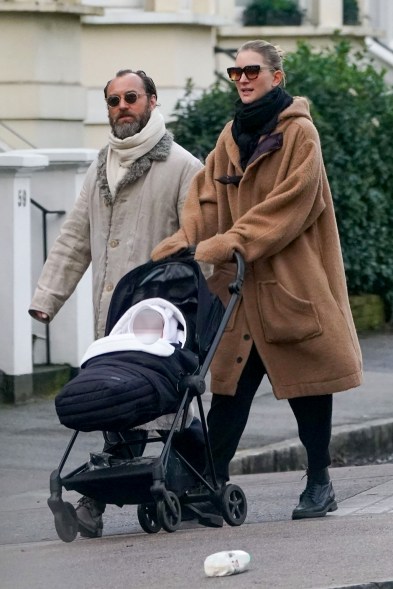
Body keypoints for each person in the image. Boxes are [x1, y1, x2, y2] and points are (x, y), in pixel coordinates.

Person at [151, 40, 363, 520]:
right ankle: (212, 483)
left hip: (291, 286)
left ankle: (320, 483)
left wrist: (228, 242)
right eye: (235, 71)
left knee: (309, 389)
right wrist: (187, 236)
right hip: (239, 293)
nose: (243, 78)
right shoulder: (231, 135)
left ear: (277, 77)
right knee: (227, 391)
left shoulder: (300, 135)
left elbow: (289, 207)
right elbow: (205, 195)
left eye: (252, 70)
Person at [29, 69, 207, 537]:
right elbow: (74, 239)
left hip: (159, 318)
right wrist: (47, 298)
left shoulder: (185, 167)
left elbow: (199, 248)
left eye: (131, 97)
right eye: (113, 101)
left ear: (152, 100)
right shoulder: (100, 164)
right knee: (115, 403)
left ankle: (192, 484)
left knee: (165, 409)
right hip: (111, 316)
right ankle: (100, 500)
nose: (122, 107)